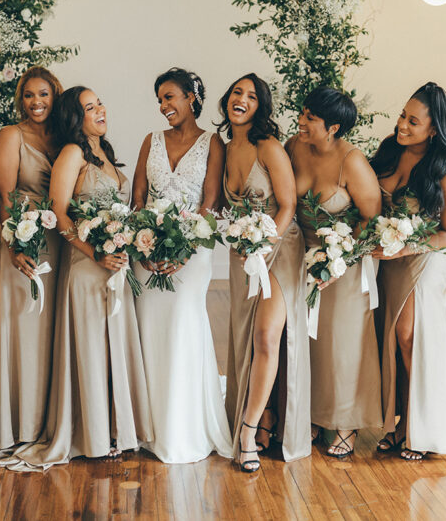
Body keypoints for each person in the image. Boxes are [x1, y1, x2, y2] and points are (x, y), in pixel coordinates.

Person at [2, 87, 152, 470]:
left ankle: (116, 426)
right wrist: (95, 253)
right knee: (89, 346)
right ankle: (92, 432)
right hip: (87, 265)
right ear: (75, 117)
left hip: (116, 262)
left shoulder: (105, 153)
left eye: (100, 102)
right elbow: (60, 214)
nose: (100, 109)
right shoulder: (71, 154)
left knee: (112, 344)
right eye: (89, 107)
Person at [130, 68, 233, 463]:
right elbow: (138, 197)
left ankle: (182, 428)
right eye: (159, 99)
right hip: (148, 247)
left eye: (170, 97)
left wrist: (184, 249)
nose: (163, 106)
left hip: (193, 252)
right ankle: (147, 425)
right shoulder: (150, 140)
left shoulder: (213, 142)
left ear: (191, 97)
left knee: (182, 326)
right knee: (150, 328)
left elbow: (211, 202)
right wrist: (143, 244)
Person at [371, 82, 446, 461]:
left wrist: (404, 246)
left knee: (408, 334)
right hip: (390, 258)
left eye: (413, 121)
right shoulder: (387, 152)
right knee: (389, 337)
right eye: (402, 115)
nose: (402, 125)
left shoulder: (445, 167)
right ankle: (397, 421)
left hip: (428, 257)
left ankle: (420, 428)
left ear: (434, 130)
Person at [0, 67, 64, 465]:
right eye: (28, 95)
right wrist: (14, 242)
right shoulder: (12, 136)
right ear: (19, 99)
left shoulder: (63, 138)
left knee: (47, 330)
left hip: (55, 239)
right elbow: (4, 193)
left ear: (55, 96)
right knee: (19, 325)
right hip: (17, 234)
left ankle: (45, 421)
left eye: (43, 94)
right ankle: (13, 425)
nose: (36, 102)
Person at [285, 86, 382, 458]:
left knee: (342, 345)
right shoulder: (295, 146)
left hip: (345, 265)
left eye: (311, 118)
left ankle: (345, 423)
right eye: (304, 113)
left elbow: (371, 221)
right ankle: (311, 414)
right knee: (309, 344)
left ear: (333, 128)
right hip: (302, 258)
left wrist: (338, 258)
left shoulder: (351, 163)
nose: (302, 121)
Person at [220, 73, 310, 473]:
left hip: (278, 249)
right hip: (243, 254)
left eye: (251, 96)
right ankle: (265, 418)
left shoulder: (269, 147)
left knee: (267, 337)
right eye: (237, 93)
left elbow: (287, 205)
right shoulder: (223, 150)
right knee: (245, 340)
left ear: (261, 107)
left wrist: (265, 245)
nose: (241, 100)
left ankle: (247, 428)